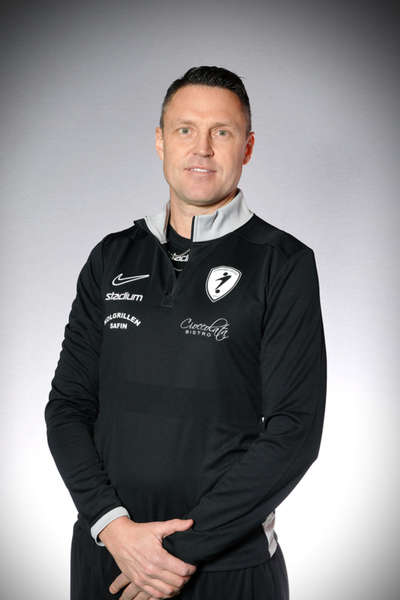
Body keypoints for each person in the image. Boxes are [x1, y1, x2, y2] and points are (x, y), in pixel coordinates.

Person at [46, 66, 326, 600]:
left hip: (225, 567)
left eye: (222, 131)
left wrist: (175, 554)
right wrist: (113, 526)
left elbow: (294, 433)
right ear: (160, 141)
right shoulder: (111, 257)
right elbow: (67, 407)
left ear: (247, 147)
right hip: (109, 559)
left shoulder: (283, 263)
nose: (202, 148)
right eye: (184, 129)